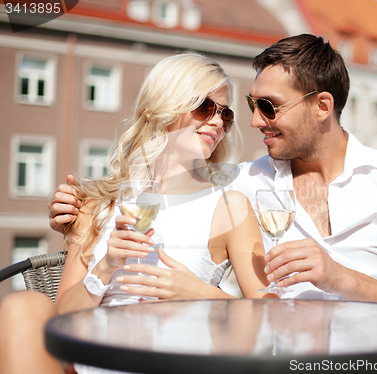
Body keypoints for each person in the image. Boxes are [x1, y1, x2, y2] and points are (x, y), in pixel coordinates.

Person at [49, 34, 377, 311]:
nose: (252, 121)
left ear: (322, 106)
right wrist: (76, 213)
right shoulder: (239, 184)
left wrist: (341, 278)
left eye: (269, 107)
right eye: (247, 106)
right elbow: (168, 195)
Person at [0, 53, 273, 374]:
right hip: (94, 362)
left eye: (225, 116)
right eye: (204, 107)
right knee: (22, 304)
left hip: (172, 360)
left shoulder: (229, 205)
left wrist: (200, 294)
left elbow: (271, 316)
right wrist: (104, 269)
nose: (216, 122)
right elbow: (63, 317)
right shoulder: (97, 201)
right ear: (165, 105)